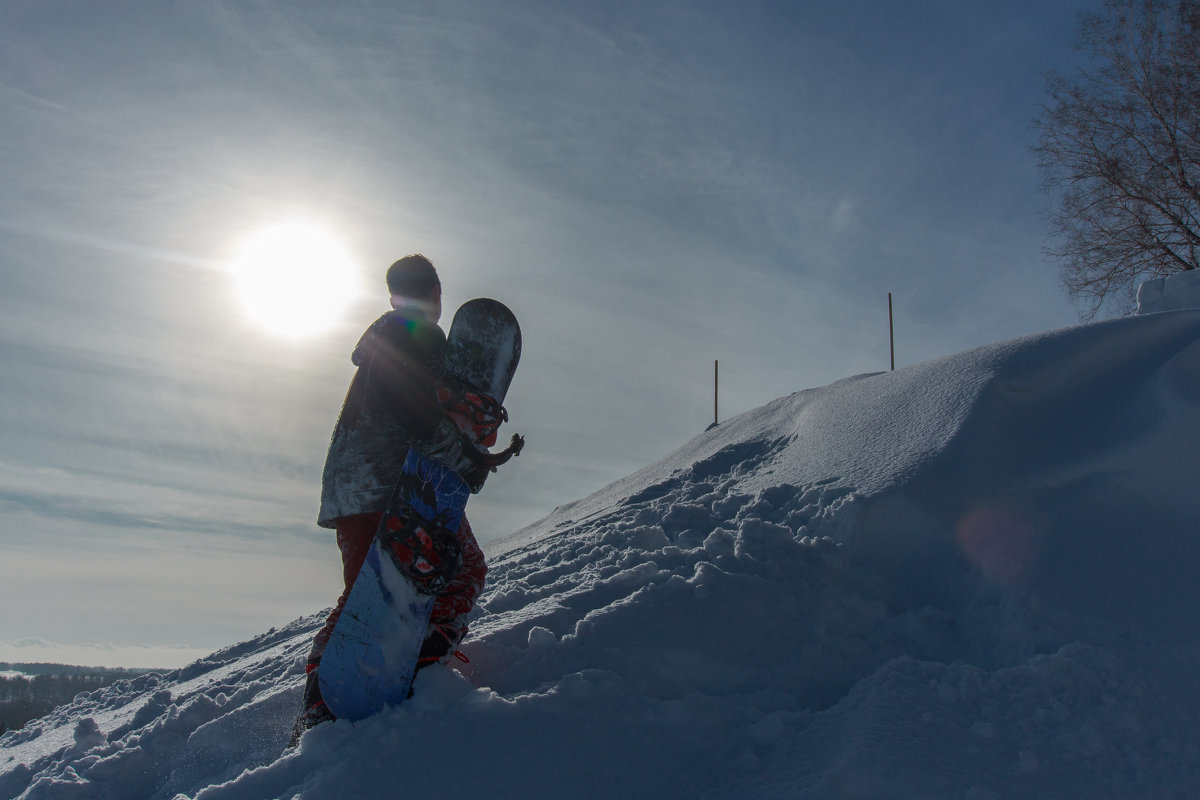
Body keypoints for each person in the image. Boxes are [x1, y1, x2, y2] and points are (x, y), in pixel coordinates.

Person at [292, 254, 487, 739]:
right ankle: (419, 670)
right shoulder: (414, 333)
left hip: (351, 488)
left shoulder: (386, 336)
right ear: (435, 293)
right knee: (462, 571)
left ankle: (320, 703)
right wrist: (458, 449)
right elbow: (412, 403)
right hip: (393, 485)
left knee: (367, 592)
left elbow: (408, 398)